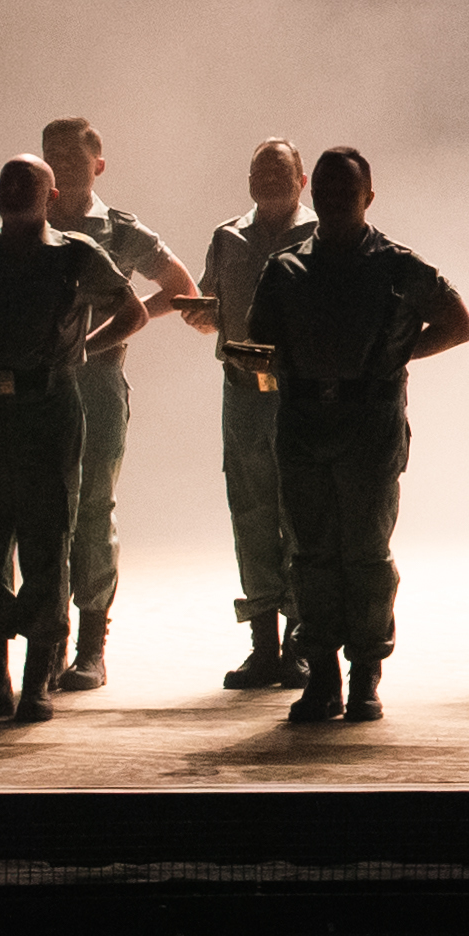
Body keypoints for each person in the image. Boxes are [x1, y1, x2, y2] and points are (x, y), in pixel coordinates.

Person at [248, 145, 469, 723]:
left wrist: (396, 358)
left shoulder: (398, 265)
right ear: (312, 196)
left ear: (369, 196)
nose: (335, 202)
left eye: (347, 192)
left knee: (367, 553)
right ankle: (321, 676)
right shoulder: (286, 268)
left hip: (369, 424)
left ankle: (366, 675)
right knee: (312, 554)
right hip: (302, 421)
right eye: (325, 192)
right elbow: (259, 344)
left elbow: (459, 324)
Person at [0, 150, 146, 724]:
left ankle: (37, 679)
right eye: (7, 179)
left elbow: (132, 311)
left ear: (50, 199)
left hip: (48, 406)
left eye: (28, 182)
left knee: (48, 537)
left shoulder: (74, 255)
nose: (15, 187)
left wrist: (79, 352)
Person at [40, 116, 195, 692]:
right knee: (43, 511)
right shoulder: (32, 218)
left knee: (91, 511)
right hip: (38, 386)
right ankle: (47, 640)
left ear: (98, 165)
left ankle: (89, 645)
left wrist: (118, 326)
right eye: (53, 155)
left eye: (75, 158)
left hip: (97, 381)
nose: (62, 165)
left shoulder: (117, 229)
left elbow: (179, 285)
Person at [187, 140, 314, 689]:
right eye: (259, 168)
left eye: (279, 168)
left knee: (302, 511)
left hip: (297, 392)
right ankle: (263, 643)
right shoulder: (227, 236)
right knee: (251, 510)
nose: (267, 177)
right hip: (242, 391)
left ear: (302, 178)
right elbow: (213, 305)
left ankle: (302, 640)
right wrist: (202, 315)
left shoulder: (320, 234)